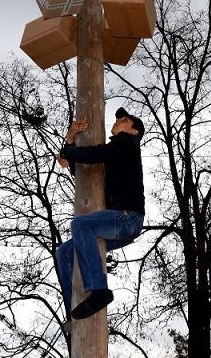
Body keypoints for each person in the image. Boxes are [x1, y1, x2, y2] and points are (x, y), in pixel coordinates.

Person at [56, 107, 146, 320]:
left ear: (134, 132)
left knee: (80, 225)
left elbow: (95, 153)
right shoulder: (118, 155)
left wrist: (68, 151)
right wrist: (70, 141)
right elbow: (85, 172)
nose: (117, 121)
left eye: (123, 120)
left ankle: (99, 290)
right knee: (64, 252)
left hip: (127, 219)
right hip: (116, 224)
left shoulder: (127, 144)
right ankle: (73, 311)